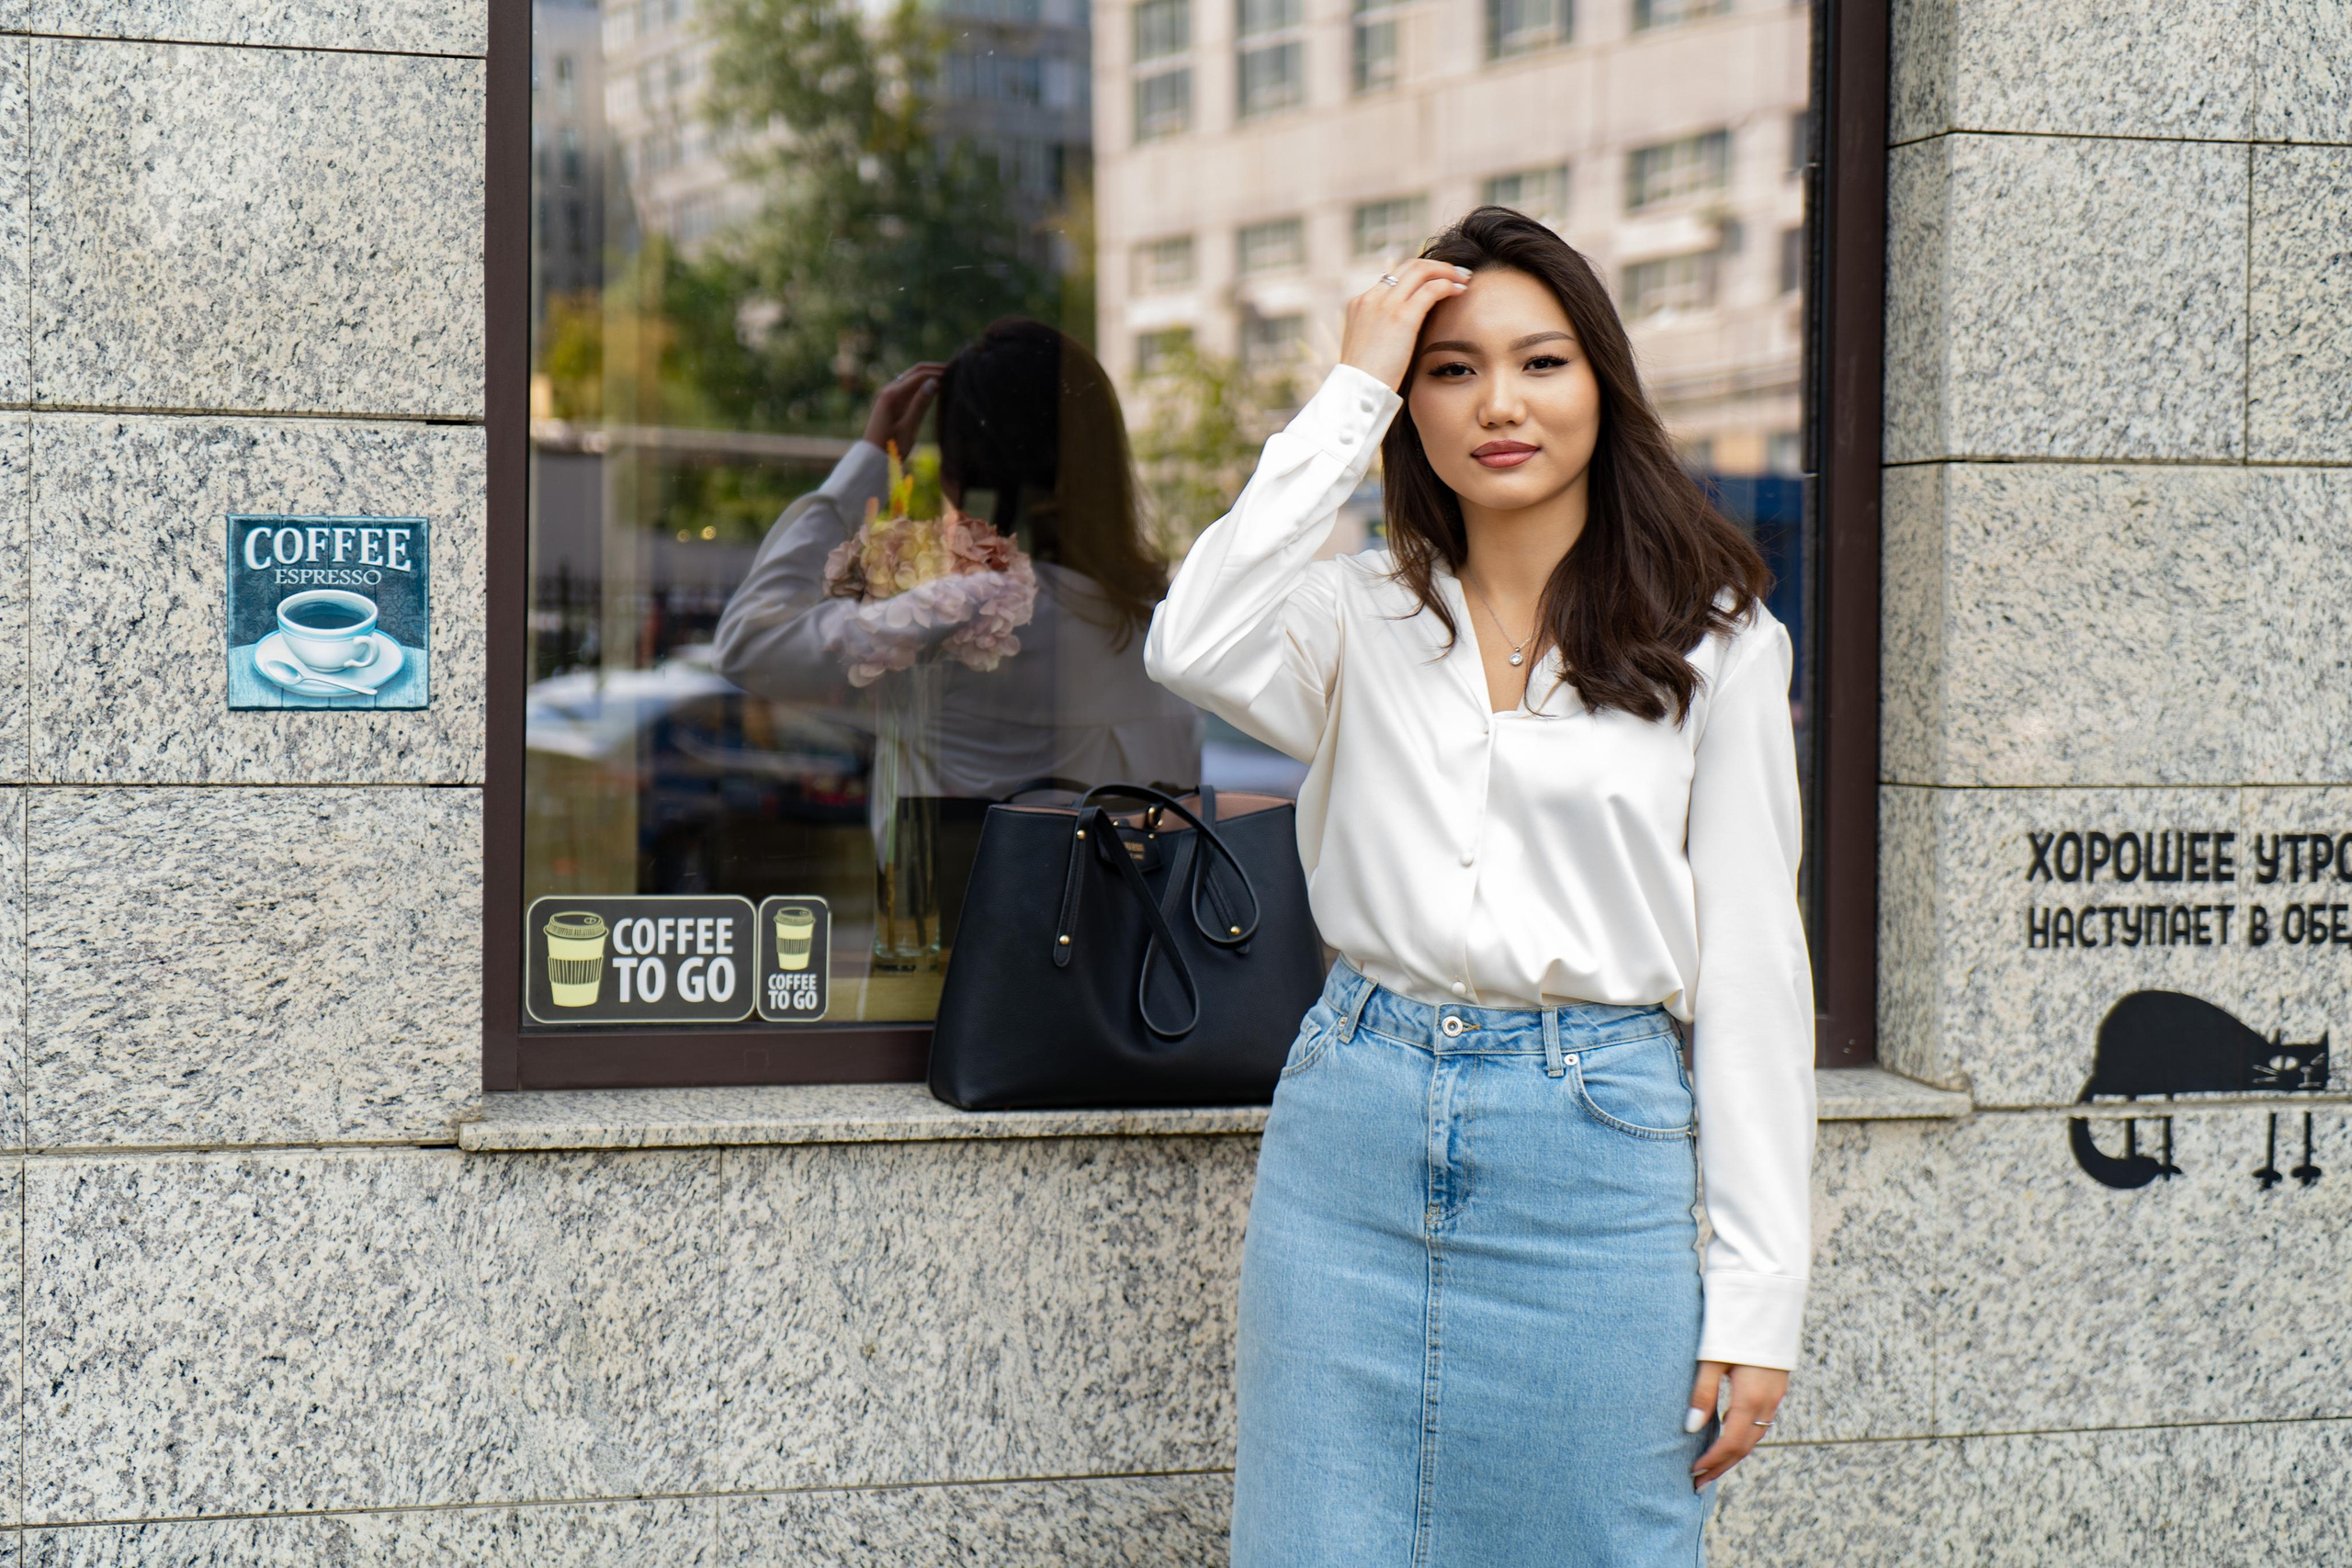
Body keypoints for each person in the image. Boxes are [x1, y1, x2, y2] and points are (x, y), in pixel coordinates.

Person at [1145, 207, 1814, 1566]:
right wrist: (1349, 389)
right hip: (1353, 1143)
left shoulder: (1720, 644)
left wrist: (1760, 1292)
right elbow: (1190, 640)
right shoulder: (1356, 613)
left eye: (1541, 362)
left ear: (1601, 387)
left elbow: (1752, 971)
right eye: (1450, 369)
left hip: (1596, 1151)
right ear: (1410, 405)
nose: (1498, 404)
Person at [715, 320, 1203, 954]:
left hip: (954, 992)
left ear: (961, 469)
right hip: (1133, 989)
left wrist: (868, 461)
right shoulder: (1164, 619)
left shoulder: (965, 614)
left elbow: (750, 641)